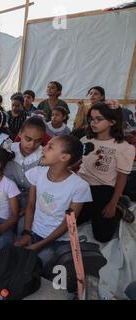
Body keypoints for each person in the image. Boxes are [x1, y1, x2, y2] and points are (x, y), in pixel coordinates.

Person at [14, 136, 93, 266]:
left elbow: (68, 224)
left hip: (57, 239)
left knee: (39, 264)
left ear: (64, 157)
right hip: (33, 231)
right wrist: (27, 232)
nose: (43, 149)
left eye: (50, 147)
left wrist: (39, 245)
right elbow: (31, 205)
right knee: (16, 257)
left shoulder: (79, 186)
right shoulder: (37, 173)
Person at [77, 103, 135, 242]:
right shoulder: (85, 140)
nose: (93, 122)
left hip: (103, 190)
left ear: (112, 122)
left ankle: (120, 204)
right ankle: (94, 209)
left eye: (99, 119)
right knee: (70, 221)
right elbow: (77, 164)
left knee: (103, 236)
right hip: (80, 187)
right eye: (91, 118)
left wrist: (112, 204)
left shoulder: (124, 147)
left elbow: (122, 177)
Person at [4, 117, 46, 210]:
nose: (32, 144)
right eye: (28, 139)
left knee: (22, 224)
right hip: (7, 197)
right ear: (20, 133)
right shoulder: (8, 150)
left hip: (32, 201)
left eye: (38, 141)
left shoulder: (44, 156)